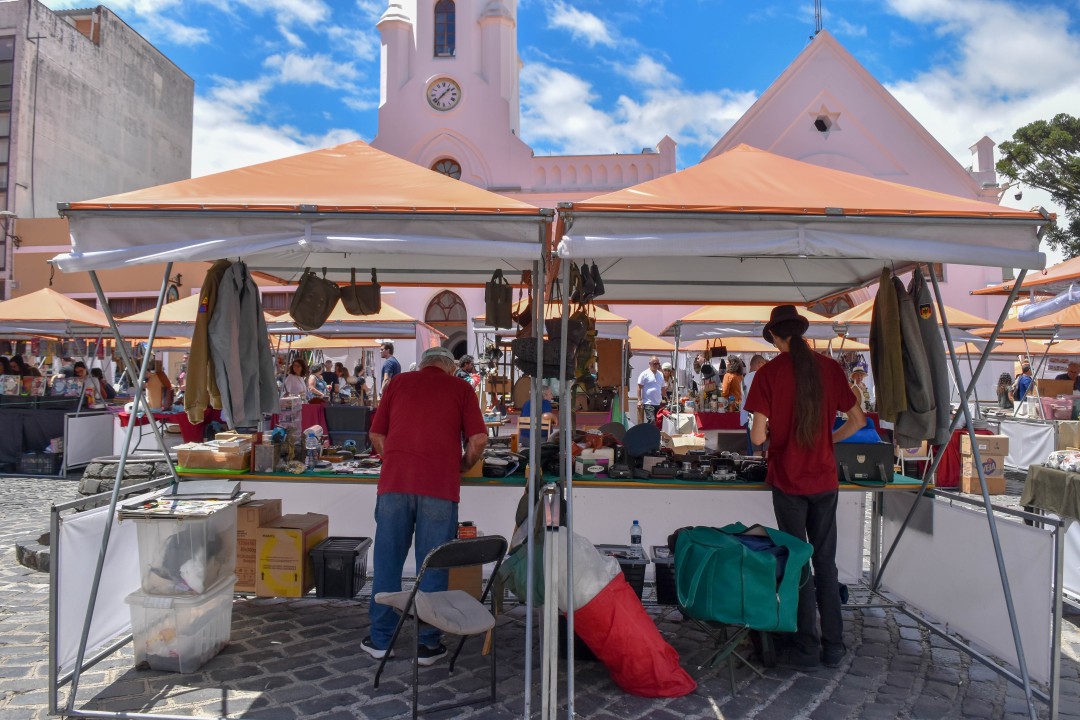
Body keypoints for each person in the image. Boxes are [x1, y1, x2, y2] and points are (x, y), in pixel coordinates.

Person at [745, 304, 866, 670]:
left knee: (798, 564)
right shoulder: (830, 369)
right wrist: (830, 440)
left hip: (788, 479)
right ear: (800, 333)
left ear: (775, 337)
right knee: (825, 564)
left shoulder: (768, 374)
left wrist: (768, 442)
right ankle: (833, 646)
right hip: (824, 478)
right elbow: (858, 420)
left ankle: (807, 648)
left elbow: (757, 435)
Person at [362, 346, 487, 664]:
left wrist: (397, 457)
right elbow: (479, 441)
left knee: (387, 563)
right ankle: (427, 643)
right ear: (448, 367)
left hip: (394, 486)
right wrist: (461, 464)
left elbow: (376, 434)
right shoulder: (461, 387)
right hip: (439, 488)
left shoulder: (399, 382)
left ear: (425, 364)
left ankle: (380, 640)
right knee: (432, 565)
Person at [638, 356, 665, 424]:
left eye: (658, 363)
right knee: (652, 420)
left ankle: (653, 433)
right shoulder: (644, 374)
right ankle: (647, 433)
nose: (656, 365)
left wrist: (666, 398)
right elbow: (639, 387)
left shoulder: (661, 374)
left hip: (658, 402)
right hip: (648, 402)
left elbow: (662, 388)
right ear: (650, 364)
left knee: (658, 421)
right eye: (654, 363)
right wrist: (639, 400)